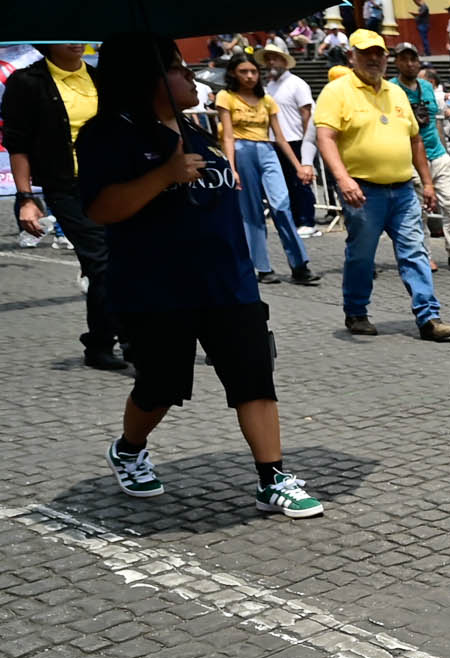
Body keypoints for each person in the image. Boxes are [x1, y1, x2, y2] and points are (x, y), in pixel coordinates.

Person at [80, 34, 324, 519]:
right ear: (145, 78)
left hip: (228, 283)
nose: (190, 76)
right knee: (160, 386)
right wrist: (162, 176)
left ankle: (272, 477)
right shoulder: (109, 133)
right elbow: (102, 209)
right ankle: (129, 448)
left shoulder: (194, 132)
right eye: (177, 67)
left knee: (254, 377)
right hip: (156, 288)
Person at [312, 28, 450, 342]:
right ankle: (356, 311)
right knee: (362, 255)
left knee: (415, 251)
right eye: (366, 53)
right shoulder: (337, 92)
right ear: (352, 56)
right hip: (363, 190)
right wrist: (343, 178)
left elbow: (416, 139)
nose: (374, 59)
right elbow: (326, 138)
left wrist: (428, 183)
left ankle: (429, 317)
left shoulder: (396, 93)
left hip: (403, 187)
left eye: (379, 53)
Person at [2, 41, 124, 369]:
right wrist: (26, 198)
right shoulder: (28, 82)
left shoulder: (100, 78)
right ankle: (125, 341)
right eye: (63, 35)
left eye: (77, 34)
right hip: (65, 188)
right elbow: (17, 144)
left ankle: (102, 342)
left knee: (114, 264)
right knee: (103, 262)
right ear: (46, 42)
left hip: (110, 185)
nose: (73, 41)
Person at [214, 53, 316, 285]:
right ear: (232, 73)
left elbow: (279, 137)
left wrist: (299, 165)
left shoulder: (267, 99)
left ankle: (300, 265)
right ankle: (262, 266)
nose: (249, 76)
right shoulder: (225, 96)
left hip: (267, 151)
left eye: (253, 71)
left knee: (281, 205)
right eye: (243, 72)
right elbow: (227, 136)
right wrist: (232, 168)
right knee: (251, 211)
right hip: (241, 150)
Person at [391, 44, 450, 271]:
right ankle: (424, 255)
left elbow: (436, 119)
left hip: (437, 153)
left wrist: (447, 151)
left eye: (413, 59)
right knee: (420, 211)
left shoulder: (427, 88)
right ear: (396, 62)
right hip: (410, 158)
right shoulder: (390, 89)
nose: (409, 63)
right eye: (404, 59)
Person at [259, 41, 320, 244]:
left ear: (285, 61)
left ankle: (307, 221)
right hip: (276, 140)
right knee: (285, 182)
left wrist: (307, 142)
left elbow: (306, 113)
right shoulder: (270, 86)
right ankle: (295, 218)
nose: (270, 62)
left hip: (296, 139)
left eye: (274, 58)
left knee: (301, 182)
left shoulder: (297, 83)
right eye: (268, 59)